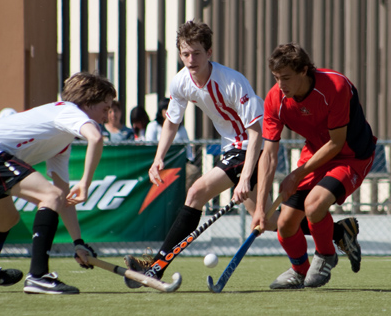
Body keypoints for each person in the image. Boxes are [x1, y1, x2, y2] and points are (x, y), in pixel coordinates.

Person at [123, 21, 360, 288]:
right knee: (270, 221)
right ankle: (340, 232)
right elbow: (172, 122)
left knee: (195, 193)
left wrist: (245, 176)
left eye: (197, 53)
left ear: (209, 52)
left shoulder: (231, 82)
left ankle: (157, 266)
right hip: (232, 150)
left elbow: (257, 133)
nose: (191, 60)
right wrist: (158, 158)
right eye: (186, 54)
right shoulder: (180, 83)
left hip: (251, 147)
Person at [0, 72, 116, 294]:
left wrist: (78, 241)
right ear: (87, 104)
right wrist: (86, 184)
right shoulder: (68, 111)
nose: (107, 116)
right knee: (49, 196)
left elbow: (63, 195)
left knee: (6, 219)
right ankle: (38, 276)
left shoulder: (62, 138)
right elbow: (96, 138)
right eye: (105, 108)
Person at [252, 43, 376, 289]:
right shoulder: (275, 99)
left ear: (304, 71)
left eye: (286, 78)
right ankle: (300, 270)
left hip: (351, 155)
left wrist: (296, 175)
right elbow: (268, 155)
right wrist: (259, 207)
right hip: (316, 153)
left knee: (314, 204)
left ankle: (326, 253)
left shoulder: (335, 86)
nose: (280, 85)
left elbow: (336, 143)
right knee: (285, 224)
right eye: (276, 78)